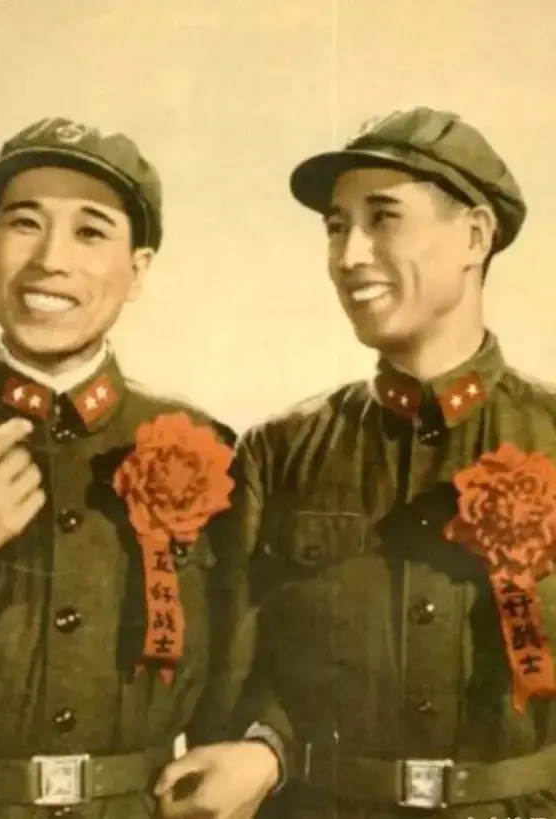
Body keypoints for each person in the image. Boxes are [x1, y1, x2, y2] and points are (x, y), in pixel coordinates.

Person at [156, 107, 556, 819]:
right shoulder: (279, 454)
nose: (349, 256)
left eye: (383, 219)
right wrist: (267, 747)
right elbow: (229, 694)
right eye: (336, 227)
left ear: (475, 235)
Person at [0, 116, 254, 819]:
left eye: (90, 231)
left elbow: (249, 669)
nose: (50, 260)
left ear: (137, 271)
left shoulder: (208, 447)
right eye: (24, 224)